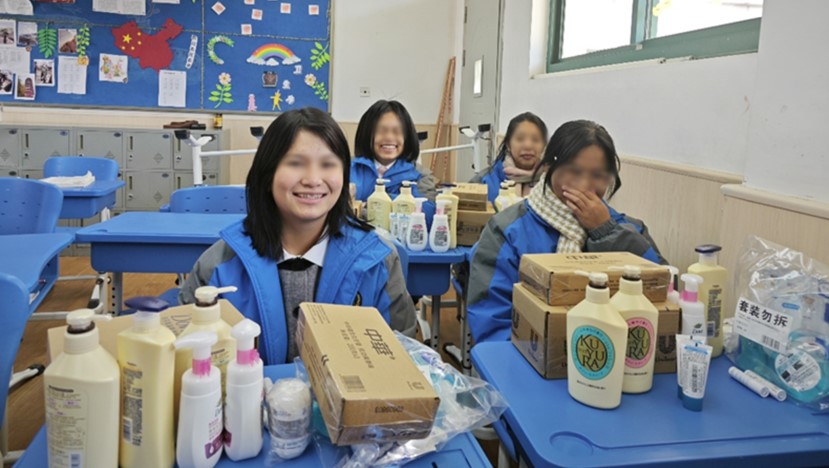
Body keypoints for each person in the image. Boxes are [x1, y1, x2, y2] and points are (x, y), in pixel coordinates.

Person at [180, 108, 416, 364]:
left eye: (328, 164)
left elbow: (400, 361)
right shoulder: (219, 265)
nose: (313, 180)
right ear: (268, 173)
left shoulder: (377, 262)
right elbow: (183, 359)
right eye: (295, 163)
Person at [467, 119, 667, 343]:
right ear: (548, 167)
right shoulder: (508, 230)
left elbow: (664, 290)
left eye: (598, 175)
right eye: (574, 171)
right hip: (528, 356)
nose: (584, 185)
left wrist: (605, 231)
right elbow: (491, 322)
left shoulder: (630, 229)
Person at [350, 100, 438, 224]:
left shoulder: (420, 175)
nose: (389, 137)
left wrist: (375, 204)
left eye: (397, 131)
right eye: (381, 131)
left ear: (407, 137)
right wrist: (405, 204)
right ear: (367, 134)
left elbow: (429, 215)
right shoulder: (347, 169)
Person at [471, 112, 547, 202]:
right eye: (520, 139)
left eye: (535, 140)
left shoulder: (550, 184)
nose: (528, 145)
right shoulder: (484, 181)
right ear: (508, 144)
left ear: (544, 145)